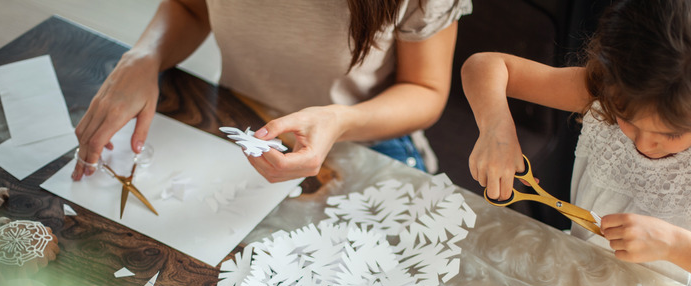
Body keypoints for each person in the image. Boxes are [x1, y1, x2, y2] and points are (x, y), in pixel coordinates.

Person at [461, 0, 691, 286]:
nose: (644, 143)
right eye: (627, 120)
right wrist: (496, 128)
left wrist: (675, 245)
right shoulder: (602, 92)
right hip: (572, 285)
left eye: (671, 134)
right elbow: (484, 66)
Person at [72, 0, 472, 183]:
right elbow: (191, 8)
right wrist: (144, 57)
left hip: (367, 134)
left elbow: (425, 89)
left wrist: (338, 120)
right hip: (242, 113)